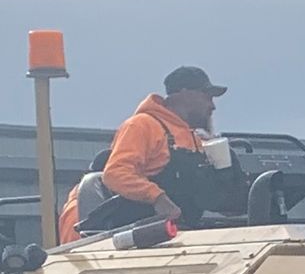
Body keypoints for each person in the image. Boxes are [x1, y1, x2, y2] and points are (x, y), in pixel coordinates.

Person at [61, 65, 226, 237]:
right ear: (184, 93)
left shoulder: (195, 140)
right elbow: (115, 174)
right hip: (140, 240)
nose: (212, 106)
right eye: (207, 97)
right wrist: (158, 198)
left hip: (183, 237)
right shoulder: (142, 125)